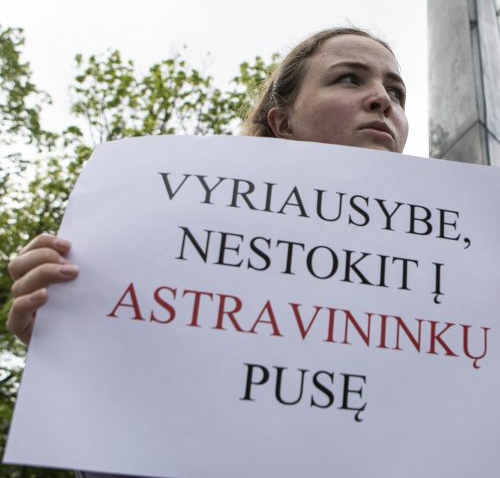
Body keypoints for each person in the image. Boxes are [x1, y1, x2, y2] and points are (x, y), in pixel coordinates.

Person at [6, 25, 408, 478]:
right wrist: (87, 353)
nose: (382, 99)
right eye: (350, 78)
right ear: (282, 122)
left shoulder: (460, 282)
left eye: (396, 90)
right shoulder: (161, 245)